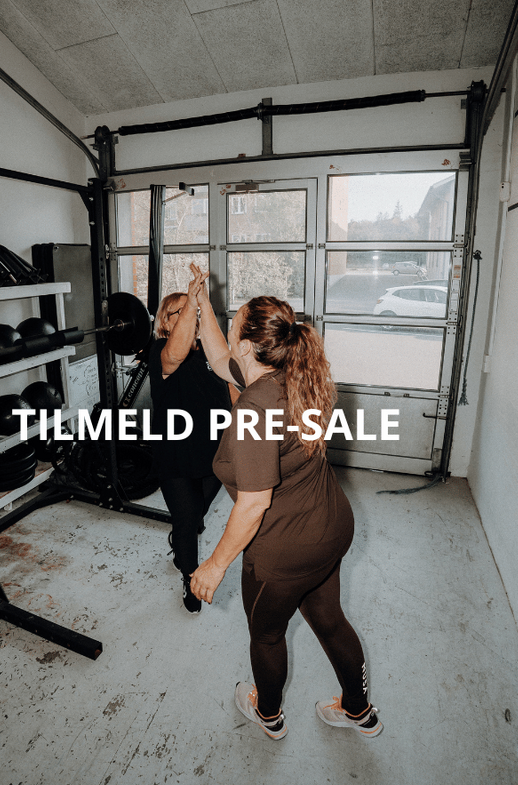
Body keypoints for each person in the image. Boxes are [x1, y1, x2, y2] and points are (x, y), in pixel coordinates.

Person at [189, 277, 382, 740]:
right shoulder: (297, 377)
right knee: (330, 620)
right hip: (330, 528)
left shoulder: (255, 407)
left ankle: (269, 714)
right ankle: (359, 711)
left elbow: (254, 503)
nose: (229, 332)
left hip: (284, 549)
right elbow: (219, 358)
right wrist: (201, 306)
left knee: (266, 635)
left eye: (234, 324)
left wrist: (214, 565)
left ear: (249, 347)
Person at [148, 266, 232, 615]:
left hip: (215, 455)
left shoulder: (212, 354)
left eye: (193, 311)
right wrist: (193, 299)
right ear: (164, 323)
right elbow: (175, 355)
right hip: (176, 456)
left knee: (197, 512)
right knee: (186, 520)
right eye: (179, 312)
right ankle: (190, 577)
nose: (190, 315)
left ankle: (183, 538)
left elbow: (232, 389)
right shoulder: (159, 352)